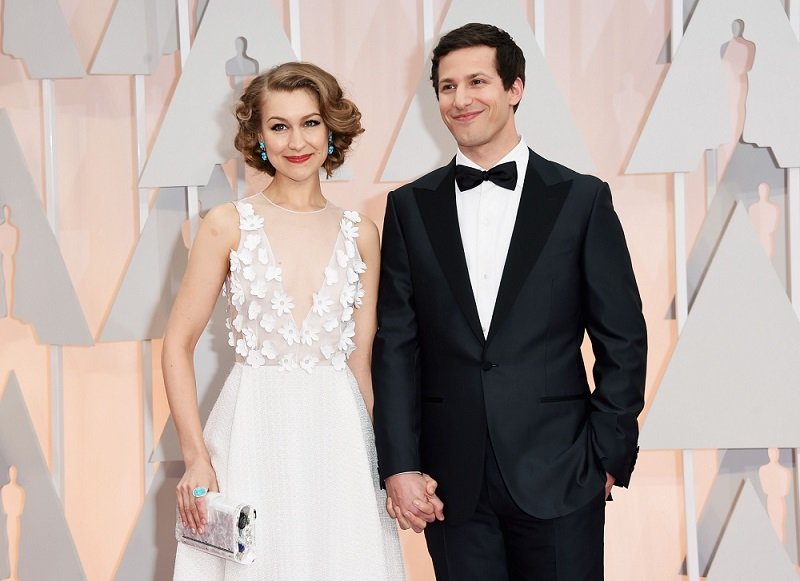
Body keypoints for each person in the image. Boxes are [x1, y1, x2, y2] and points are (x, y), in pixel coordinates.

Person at [372, 23, 647, 580]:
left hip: (562, 470)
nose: (461, 99)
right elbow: (397, 346)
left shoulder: (581, 199)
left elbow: (622, 337)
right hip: (450, 482)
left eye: (477, 81)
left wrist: (605, 458)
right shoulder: (408, 208)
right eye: (447, 87)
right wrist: (399, 464)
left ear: (515, 87)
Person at [166, 62, 405, 580]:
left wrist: (390, 462)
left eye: (311, 122)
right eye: (279, 126)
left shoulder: (360, 232)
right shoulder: (227, 224)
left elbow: (362, 363)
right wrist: (196, 456)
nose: (296, 140)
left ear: (332, 130)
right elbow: (176, 344)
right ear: (258, 136)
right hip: (251, 430)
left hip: (340, 438)